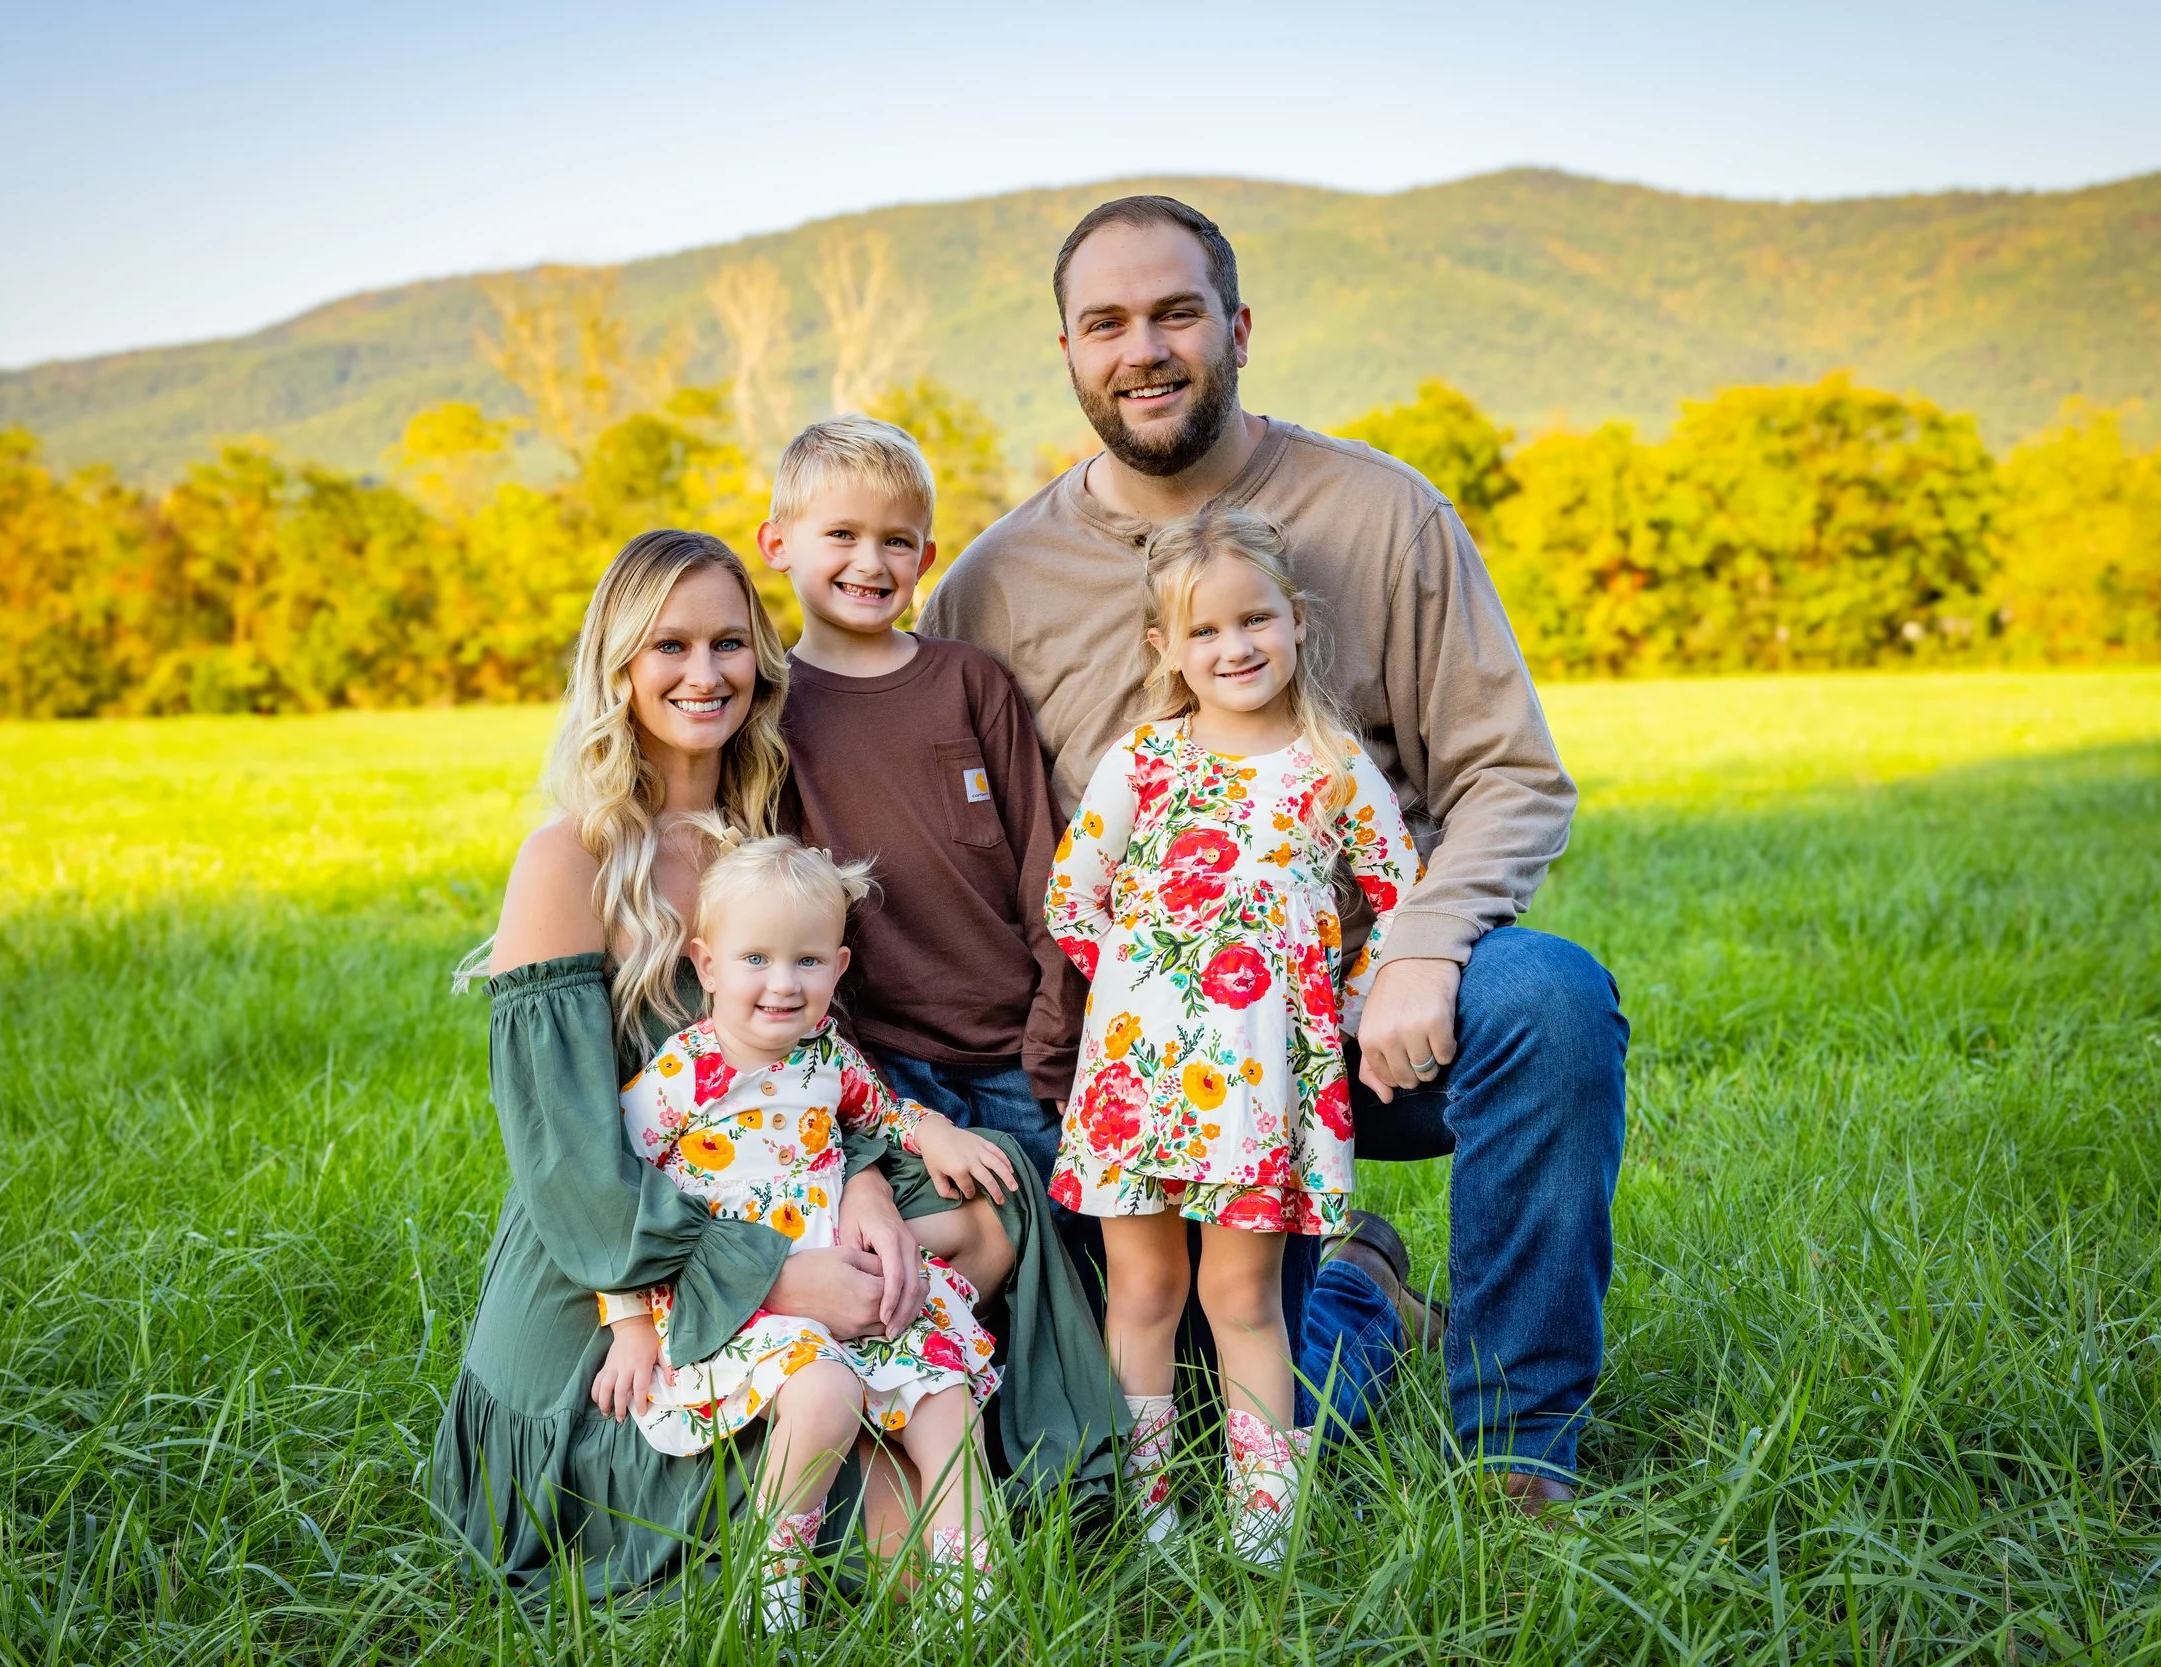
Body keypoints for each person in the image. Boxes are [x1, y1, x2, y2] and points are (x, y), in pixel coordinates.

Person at [923, 195, 1630, 1509]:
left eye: (1176, 311)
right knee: (1217, 1347)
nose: (1145, 348)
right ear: (1069, 353)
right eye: (1107, 323)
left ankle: (1516, 1449)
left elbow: (1513, 775)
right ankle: (1359, 1282)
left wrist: (1423, 945)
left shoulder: (1381, 514)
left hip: (1360, 1013)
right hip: (1147, 1055)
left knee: (1549, 1000)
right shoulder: (996, 583)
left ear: (1236, 326)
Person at [428, 529, 1124, 1604]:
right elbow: (567, 1157)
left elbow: (815, 1063)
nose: (702, 674)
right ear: (617, 665)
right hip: (620, 1243)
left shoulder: (765, 825)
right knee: (895, 1561)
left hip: (779, 1175)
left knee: (994, 1197)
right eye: (668, 645)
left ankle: (866, 1384)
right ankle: (830, 1416)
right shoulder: (569, 858)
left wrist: (854, 1184)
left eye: (726, 643)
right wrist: (774, 1272)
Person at [1045, 504, 1416, 1561]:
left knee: (1240, 1291)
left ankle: (1265, 1516)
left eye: (1254, 619)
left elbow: (1396, 900)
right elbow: (1075, 897)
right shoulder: (1145, 759)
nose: (1234, 646)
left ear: (1295, 622)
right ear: (1166, 649)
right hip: (1139, 1079)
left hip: (1264, 1083)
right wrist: (1147, 992)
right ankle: (1147, 1510)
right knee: (1146, 1288)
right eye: (1204, 631)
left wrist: (1332, 1013)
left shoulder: (1329, 762)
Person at [589, 832, 1014, 1627]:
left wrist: (935, 1132)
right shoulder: (683, 1074)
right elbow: (620, 1198)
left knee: (951, 1399)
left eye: (807, 962)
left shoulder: (828, 1058)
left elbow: (880, 1112)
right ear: (706, 965)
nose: (782, 985)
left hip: (843, 1283)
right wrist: (629, 1323)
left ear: (839, 968)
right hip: (748, 1302)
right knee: (824, 1392)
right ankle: (771, 1574)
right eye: (756, 959)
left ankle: (970, 1594)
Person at [758, 417, 1078, 1186]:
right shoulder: (772, 713)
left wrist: (1055, 1031)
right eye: (841, 534)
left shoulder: (970, 682)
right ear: (777, 545)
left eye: (897, 541)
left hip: (1018, 1049)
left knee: (1077, 1266)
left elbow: (1047, 864)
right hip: (884, 1064)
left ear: (926, 557)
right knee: (954, 1275)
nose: (870, 562)